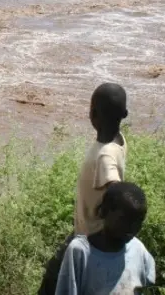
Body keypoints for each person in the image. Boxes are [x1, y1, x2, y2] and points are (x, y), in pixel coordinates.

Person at [39, 83, 129, 294]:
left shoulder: (104, 155)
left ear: (93, 113)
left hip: (89, 236)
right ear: (124, 114)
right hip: (88, 231)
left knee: (52, 281)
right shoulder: (118, 141)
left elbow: (117, 192)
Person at [55, 182, 155, 294]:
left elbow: (148, 285)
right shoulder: (80, 251)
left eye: (139, 221)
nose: (133, 227)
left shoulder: (138, 250)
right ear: (104, 211)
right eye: (125, 219)